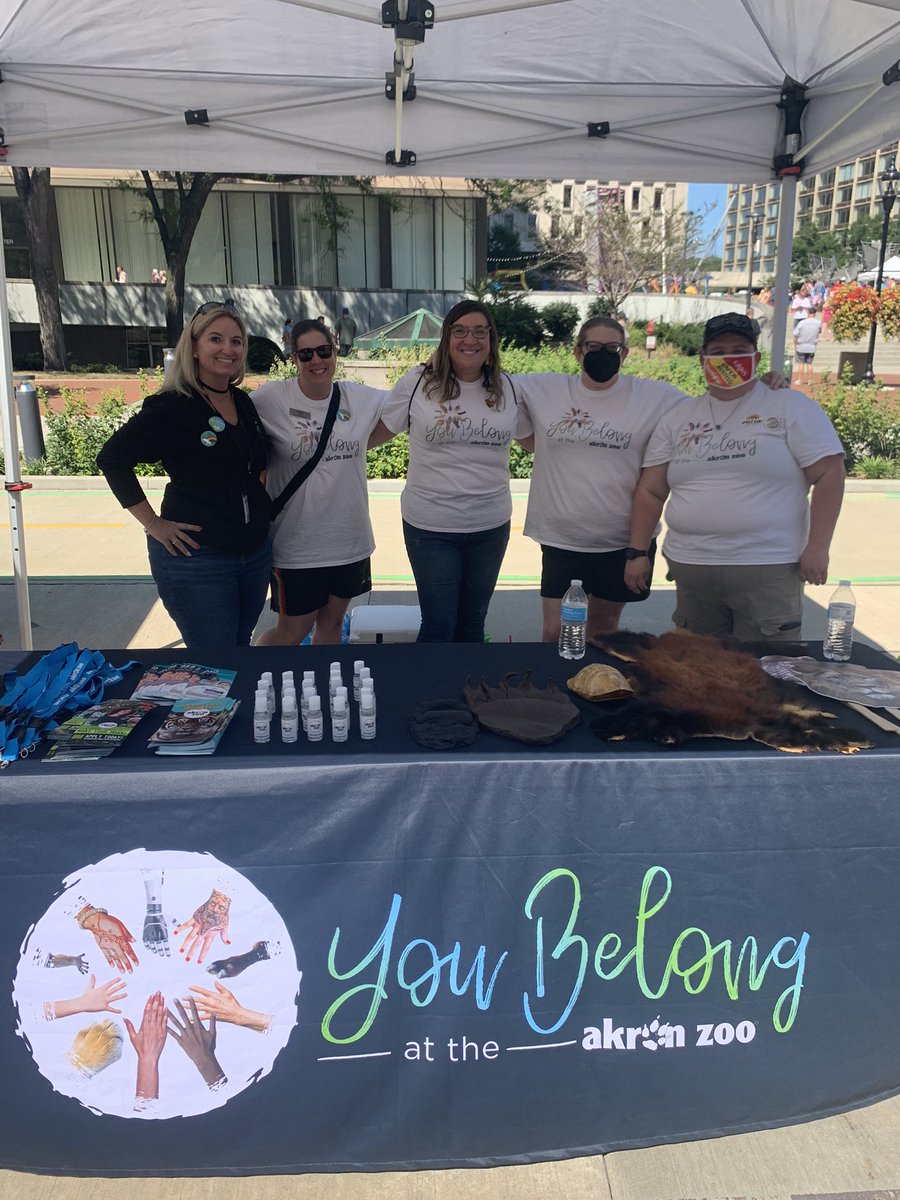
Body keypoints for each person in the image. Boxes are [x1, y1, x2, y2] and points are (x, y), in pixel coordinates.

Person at [625, 312, 845, 642]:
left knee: (768, 675)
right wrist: (637, 553)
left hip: (768, 566)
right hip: (692, 566)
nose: (728, 357)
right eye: (718, 351)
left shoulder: (789, 406)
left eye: (739, 349)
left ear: (756, 358)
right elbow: (651, 491)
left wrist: (818, 547)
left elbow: (829, 473)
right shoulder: (678, 417)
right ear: (702, 359)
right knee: (698, 672)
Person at [97, 301, 272, 648]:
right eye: (216, 339)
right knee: (215, 663)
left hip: (252, 554)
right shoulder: (173, 406)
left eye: (236, 341)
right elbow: (112, 458)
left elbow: (255, 466)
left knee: (239, 648)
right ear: (193, 347)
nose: (228, 349)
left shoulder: (241, 401)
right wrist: (153, 524)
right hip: (198, 558)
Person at [515, 316, 689, 643]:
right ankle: (554, 692)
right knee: (556, 633)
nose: (603, 354)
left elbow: (713, 407)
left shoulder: (658, 397)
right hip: (562, 538)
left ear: (625, 354)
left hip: (621, 541)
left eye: (613, 348)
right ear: (577, 351)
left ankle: (594, 691)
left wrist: (766, 388)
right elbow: (487, 380)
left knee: (603, 630)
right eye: (594, 347)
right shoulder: (544, 388)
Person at [370, 300, 523, 643]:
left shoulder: (508, 388)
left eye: (480, 331)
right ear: (447, 337)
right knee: (439, 625)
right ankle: (431, 696)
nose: (471, 339)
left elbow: (536, 440)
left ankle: (468, 696)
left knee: (473, 624)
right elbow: (378, 432)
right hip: (431, 527)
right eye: (460, 331)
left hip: (490, 526)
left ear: (491, 339)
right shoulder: (417, 382)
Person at [253, 319, 387, 646]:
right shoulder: (270, 398)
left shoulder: (359, 397)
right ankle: (256, 677)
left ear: (335, 351)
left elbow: (405, 409)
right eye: (306, 354)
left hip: (348, 540)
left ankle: (323, 691)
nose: (316, 361)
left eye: (323, 351)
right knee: (292, 631)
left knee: (332, 625)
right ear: (294, 359)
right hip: (297, 546)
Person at [794, 310, 822, 385]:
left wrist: (795, 344)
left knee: (801, 363)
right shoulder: (818, 322)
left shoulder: (802, 322)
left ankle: (799, 379)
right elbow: (819, 331)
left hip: (801, 345)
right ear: (814, 314)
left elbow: (795, 334)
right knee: (809, 363)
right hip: (811, 345)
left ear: (808, 314)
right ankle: (810, 380)